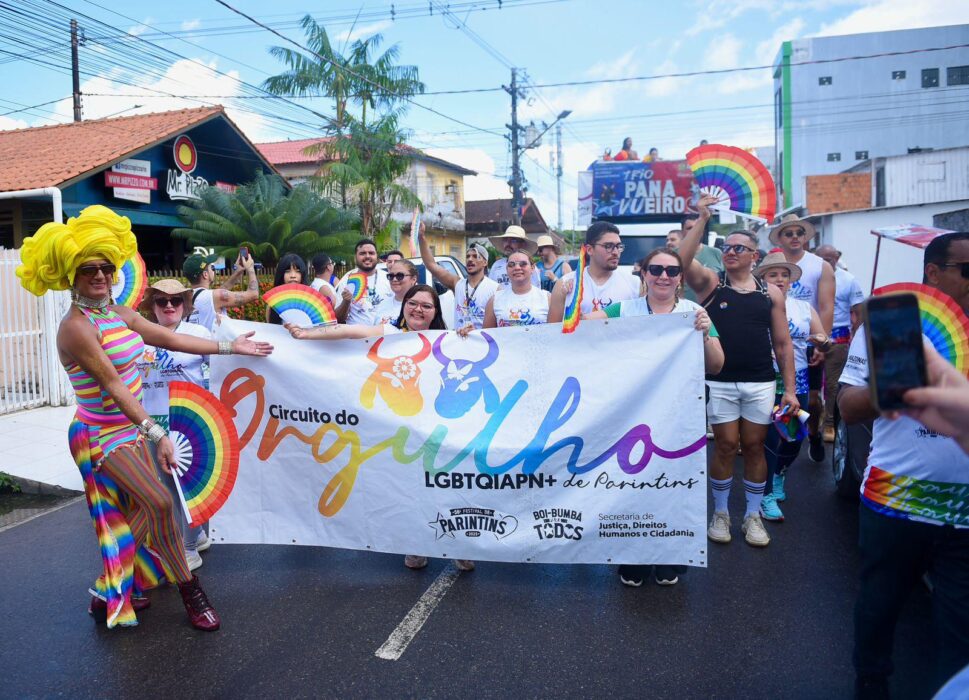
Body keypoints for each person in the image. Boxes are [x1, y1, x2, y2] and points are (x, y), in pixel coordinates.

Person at [15, 205, 273, 630]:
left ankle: (108, 586)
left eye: (106, 266)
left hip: (131, 429)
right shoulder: (76, 328)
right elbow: (114, 387)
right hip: (101, 435)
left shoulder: (117, 314)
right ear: (69, 275)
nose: (99, 275)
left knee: (139, 513)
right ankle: (192, 592)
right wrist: (157, 434)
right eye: (88, 268)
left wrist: (232, 349)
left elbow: (172, 337)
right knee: (158, 502)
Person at [839, 231, 969, 698]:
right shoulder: (891, 323)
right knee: (879, 607)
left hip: (965, 510)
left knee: (960, 626)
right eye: (967, 270)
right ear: (933, 272)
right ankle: (870, 684)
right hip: (895, 499)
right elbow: (848, 407)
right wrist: (895, 388)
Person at [285, 284, 475, 574]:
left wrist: (467, 337)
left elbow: (476, 353)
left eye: (426, 305)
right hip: (401, 429)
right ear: (404, 306)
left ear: (436, 311)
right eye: (412, 303)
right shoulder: (389, 333)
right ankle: (417, 545)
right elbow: (346, 332)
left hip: (440, 429)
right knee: (410, 488)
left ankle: (459, 545)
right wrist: (306, 333)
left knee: (446, 485)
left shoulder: (448, 339)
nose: (418, 310)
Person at [587, 247, 724, 587]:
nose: (664, 275)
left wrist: (706, 333)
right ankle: (632, 556)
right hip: (631, 416)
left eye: (672, 270)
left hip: (679, 417)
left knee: (674, 485)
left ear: (680, 278)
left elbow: (717, 365)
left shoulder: (693, 311)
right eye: (657, 269)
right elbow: (574, 333)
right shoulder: (623, 309)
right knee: (631, 486)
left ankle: (670, 555)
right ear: (644, 273)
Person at [679, 195, 798, 548]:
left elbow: (783, 344)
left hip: (761, 382)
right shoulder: (712, 284)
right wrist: (703, 218)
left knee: (755, 446)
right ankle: (720, 513)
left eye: (739, 248)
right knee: (727, 446)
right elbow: (682, 261)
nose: (730, 252)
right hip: (720, 381)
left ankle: (752, 515)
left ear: (754, 256)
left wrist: (789, 390)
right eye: (727, 247)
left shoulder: (771, 292)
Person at [138, 280, 214, 571]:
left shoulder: (199, 333)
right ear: (152, 306)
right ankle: (198, 537)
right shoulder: (138, 336)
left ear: (185, 304)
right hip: (153, 424)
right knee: (169, 487)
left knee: (192, 487)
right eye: (161, 301)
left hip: (191, 422)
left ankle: (189, 546)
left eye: (176, 301)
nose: (169, 306)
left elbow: (220, 369)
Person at [754, 251, 830, 523]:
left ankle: (778, 475)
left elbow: (823, 336)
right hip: (765, 379)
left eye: (784, 275)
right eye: (773, 274)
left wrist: (821, 341)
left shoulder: (802, 307)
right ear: (763, 278)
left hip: (796, 379)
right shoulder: (755, 304)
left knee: (794, 438)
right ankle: (766, 495)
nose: (779, 279)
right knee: (771, 439)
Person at [769, 214, 835, 462]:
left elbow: (826, 307)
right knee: (772, 421)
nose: (795, 237)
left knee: (813, 403)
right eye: (789, 233)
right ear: (781, 237)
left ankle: (814, 433)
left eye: (799, 232)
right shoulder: (771, 264)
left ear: (806, 237)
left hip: (805, 340)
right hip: (771, 357)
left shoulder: (820, 266)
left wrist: (821, 343)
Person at [815, 245, 864, 442]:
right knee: (812, 390)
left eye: (832, 258)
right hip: (811, 340)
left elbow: (859, 311)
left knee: (834, 386)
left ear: (838, 258)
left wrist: (858, 339)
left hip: (839, 341)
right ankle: (813, 418)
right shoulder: (810, 277)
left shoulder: (848, 280)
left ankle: (829, 423)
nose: (828, 262)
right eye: (823, 258)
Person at [548, 221, 640, 321]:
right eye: (608, 246)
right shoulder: (565, 284)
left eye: (618, 246)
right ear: (589, 249)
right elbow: (553, 331)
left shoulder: (634, 284)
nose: (615, 252)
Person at [419, 224, 497, 331]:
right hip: (459, 342)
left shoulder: (495, 289)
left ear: (485, 262)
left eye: (475, 256)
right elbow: (431, 264)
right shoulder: (457, 283)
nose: (470, 259)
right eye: (468, 256)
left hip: (482, 344)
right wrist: (421, 238)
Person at [182, 250, 259, 332]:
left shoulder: (184, 297)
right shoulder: (214, 296)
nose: (213, 270)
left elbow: (220, 291)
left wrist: (238, 272)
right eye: (212, 268)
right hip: (216, 344)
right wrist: (250, 268)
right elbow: (253, 294)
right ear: (205, 274)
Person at [484, 251, 550, 327]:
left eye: (523, 264)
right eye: (511, 265)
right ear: (507, 269)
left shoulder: (547, 298)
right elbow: (486, 336)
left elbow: (554, 334)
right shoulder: (494, 300)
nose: (517, 268)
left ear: (532, 268)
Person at [335, 238, 392, 325]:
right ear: (355, 257)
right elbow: (338, 319)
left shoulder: (389, 278)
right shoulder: (347, 280)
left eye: (371, 253)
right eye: (362, 253)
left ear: (377, 256)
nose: (367, 256)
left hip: (384, 336)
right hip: (356, 337)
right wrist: (346, 302)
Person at [488, 225, 541, 289]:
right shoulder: (497, 265)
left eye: (513, 240)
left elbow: (535, 293)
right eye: (505, 240)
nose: (508, 243)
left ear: (522, 244)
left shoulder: (530, 268)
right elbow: (490, 290)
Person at [372, 258, 418, 326]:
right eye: (391, 276)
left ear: (413, 279)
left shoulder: (421, 305)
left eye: (400, 275)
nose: (394, 279)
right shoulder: (382, 303)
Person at [265, 254, 308, 325]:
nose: (293, 276)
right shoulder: (272, 305)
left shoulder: (309, 301)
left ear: (302, 275)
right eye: (287, 271)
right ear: (281, 274)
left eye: (297, 271)